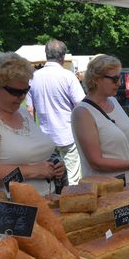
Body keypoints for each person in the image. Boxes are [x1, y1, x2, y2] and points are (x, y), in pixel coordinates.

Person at [0, 52, 65, 199]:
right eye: (15, 92)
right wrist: (33, 171)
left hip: (44, 199)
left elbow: (33, 151)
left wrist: (55, 164)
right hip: (9, 207)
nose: (21, 97)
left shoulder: (22, 112)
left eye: (25, 91)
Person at [71, 54, 129, 188]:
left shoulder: (114, 102)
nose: (120, 83)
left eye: (121, 78)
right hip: (104, 189)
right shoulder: (82, 113)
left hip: (128, 184)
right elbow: (96, 162)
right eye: (115, 79)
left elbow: (125, 140)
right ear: (97, 79)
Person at [26, 39, 85, 185]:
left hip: (44, 137)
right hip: (67, 135)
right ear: (63, 57)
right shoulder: (68, 76)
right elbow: (81, 106)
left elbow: (29, 110)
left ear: (46, 54)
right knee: (72, 179)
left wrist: (32, 136)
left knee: (50, 178)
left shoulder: (33, 78)